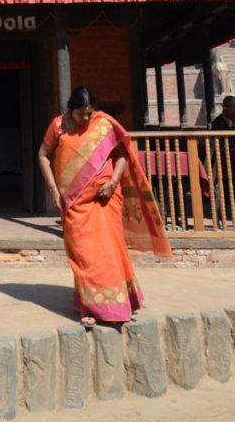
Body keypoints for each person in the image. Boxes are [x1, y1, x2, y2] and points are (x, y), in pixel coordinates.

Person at [38, 86, 171, 328]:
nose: (86, 118)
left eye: (90, 113)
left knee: (108, 252)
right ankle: (90, 305)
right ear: (71, 111)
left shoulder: (104, 123)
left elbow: (122, 155)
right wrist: (53, 190)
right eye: (81, 114)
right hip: (74, 203)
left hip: (105, 200)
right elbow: (43, 155)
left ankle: (113, 305)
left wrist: (112, 183)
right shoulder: (58, 126)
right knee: (84, 253)